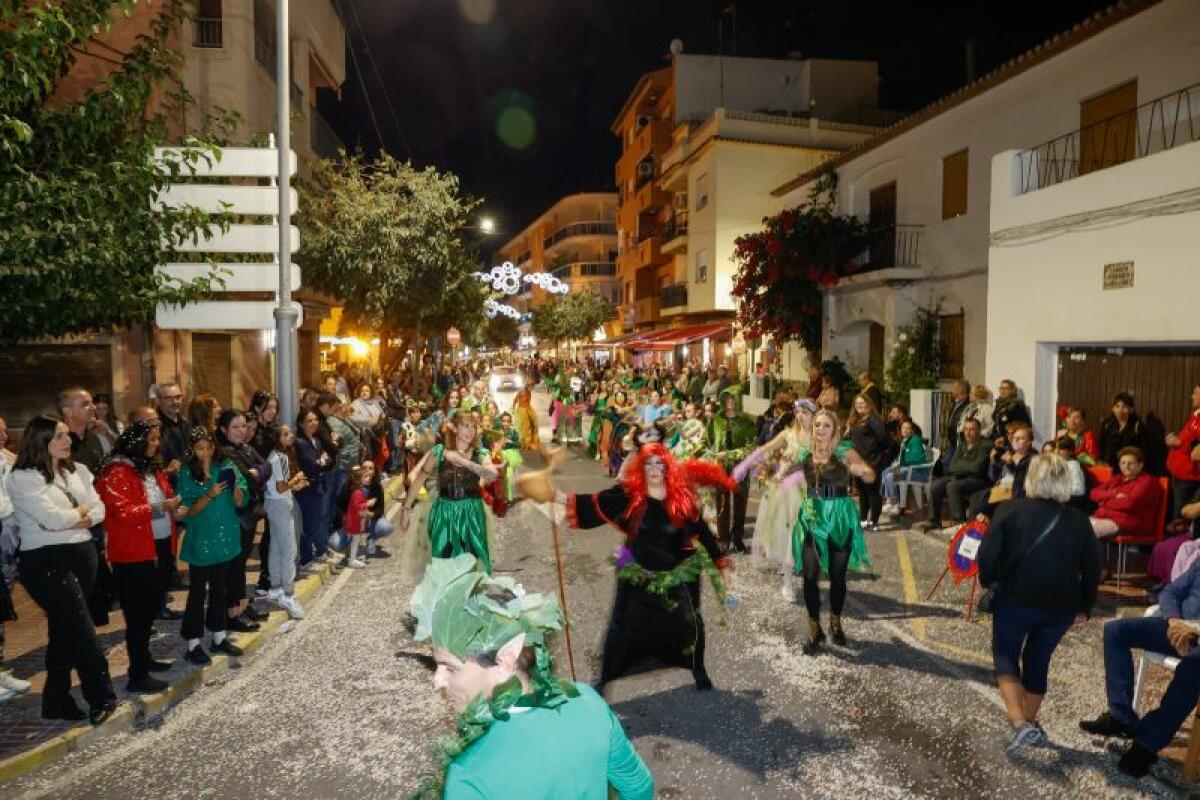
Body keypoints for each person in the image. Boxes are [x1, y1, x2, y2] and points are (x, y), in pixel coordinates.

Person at [410, 555, 654, 799]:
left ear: (505, 661)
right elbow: (639, 787)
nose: (437, 682)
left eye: (450, 668)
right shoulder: (589, 701)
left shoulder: (470, 776)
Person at [545, 443, 735, 693]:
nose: (654, 469)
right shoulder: (630, 496)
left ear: (667, 468)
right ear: (641, 469)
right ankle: (605, 680)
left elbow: (703, 533)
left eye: (659, 464)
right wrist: (554, 496)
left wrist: (720, 561)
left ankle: (698, 670)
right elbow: (592, 503)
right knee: (621, 625)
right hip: (635, 569)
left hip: (679, 571)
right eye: (649, 464)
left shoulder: (683, 499)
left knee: (691, 624)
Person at [977, 454, 1101, 755]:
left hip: (1016, 597)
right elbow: (1094, 566)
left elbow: (987, 555)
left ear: (1033, 478)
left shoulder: (1010, 510)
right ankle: (1030, 724)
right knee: (1038, 659)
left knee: (1006, 656)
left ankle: (1021, 724)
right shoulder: (1079, 520)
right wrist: (1085, 605)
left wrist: (989, 581)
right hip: (1061, 605)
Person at [9, 415, 117, 723]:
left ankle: (55, 701)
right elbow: (52, 520)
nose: (68, 441)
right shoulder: (23, 478)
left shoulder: (78, 471)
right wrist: (81, 512)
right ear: (40, 440)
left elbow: (100, 510)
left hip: (84, 555)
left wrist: (78, 514)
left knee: (64, 631)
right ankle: (102, 696)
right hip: (45, 561)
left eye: (67, 435)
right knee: (82, 629)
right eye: (59, 436)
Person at [1079, 556, 1200, 778]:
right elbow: (1171, 592)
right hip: (1179, 628)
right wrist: (1174, 621)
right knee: (1116, 631)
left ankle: (1147, 743)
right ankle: (1121, 717)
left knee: (1194, 667)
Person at [95, 419, 181, 694]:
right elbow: (123, 513)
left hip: (158, 546)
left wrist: (173, 505)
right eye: (152, 439)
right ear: (137, 441)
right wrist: (160, 507)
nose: (156, 444)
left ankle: (144, 660)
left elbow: (164, 498)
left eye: (158, 439)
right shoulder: (117, 471)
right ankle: (138, 673)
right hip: (132, 553)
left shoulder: (149, 468)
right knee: (138, 615)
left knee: (148, 611)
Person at [787, 408, 874, 653]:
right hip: (812, 516)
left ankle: (835, 621)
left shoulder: (844, 451)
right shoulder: (804, 453)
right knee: (810, 575)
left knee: (838, 576)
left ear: (834, 429)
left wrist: (862, 472)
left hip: (838, 517)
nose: (821, 430)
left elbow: (869, 474)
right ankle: (814, 628)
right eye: (817, 425)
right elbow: (789, 474)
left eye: (826, 425)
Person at [175, 427, 247, 665]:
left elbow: (241, 500)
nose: (205, 453)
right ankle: (193, 643)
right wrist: (210, 494)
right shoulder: (187, 473)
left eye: (209, 447)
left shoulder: (225, 467)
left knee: (220, 589)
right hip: (201, 540)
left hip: (225, 538)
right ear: (192, 450)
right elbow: (187, 511)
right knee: (197, 592)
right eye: (199, 448)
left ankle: (219, 636)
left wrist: (234, 485)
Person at [733, 399, 814, 600]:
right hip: (788, 492)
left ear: (814, 414)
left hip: (812, 492)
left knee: (808, 540)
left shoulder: (820, 436)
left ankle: (804, 574)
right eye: (798, 411)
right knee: (791, 535)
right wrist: (744, 466)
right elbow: (765, 449)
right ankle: (787, 583)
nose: (800, 415)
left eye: (805, 411)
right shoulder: (788, 434)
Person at [401, 414, 498, 575]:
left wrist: (464, 462)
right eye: (465, 425)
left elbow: (491, 475)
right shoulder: (439, 452)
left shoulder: (481, 453)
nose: (471, 431)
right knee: (442, 562)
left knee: (471, 564)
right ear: (453, 427)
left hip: (471, 512)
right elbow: (419, 480)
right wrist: (406, 509)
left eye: (473, 426)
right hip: (444, 511)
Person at [215, 410, 268, 633]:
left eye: (244, 426)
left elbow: (266, 466)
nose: (242, 430)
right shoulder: (225, 453)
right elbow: (247, 477)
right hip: (236, 517)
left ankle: (241, 606)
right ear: (223, 430)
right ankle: (232, 613)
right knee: (233, 567)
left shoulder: (245, 447)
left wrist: (259, 472)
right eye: (236, 427)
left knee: (241, 565)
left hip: (250, 514)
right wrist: (256, 473)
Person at [262, 423, 307, 619]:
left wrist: (292, 485)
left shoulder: (274, 455)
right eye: (286, 434)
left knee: (276, 547)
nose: (291, 436)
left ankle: (275, 587)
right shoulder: (279, 458)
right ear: (278, 439)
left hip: (273, 503)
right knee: (289, 549)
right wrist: (295, 480)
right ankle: (288, 594)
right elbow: (281, 487)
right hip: (280, 503)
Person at [705, 388, 757, 553]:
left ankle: (738, 538)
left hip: (740, 467)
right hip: (720, 467)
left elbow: (751, 447)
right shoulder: (715, 421)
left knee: (740, 503)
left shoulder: (747, 422)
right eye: (726, 399)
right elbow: (707, 441)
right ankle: (723, 539)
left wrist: (730, 454)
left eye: (733, 399)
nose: (729, 402)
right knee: (722, 504)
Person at [0, 416, 29, 703]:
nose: (3, 435)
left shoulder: (9, 459)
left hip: (8, 541)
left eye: (4, 430)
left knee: (2, 603)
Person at [925, 418, 991, 529]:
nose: (968, 433)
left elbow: (976, 468)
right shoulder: (962, 444)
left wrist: (962, 465)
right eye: (965, 429)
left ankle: (959, 523)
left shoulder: (985, 445)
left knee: (953, 486)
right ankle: (934, 520)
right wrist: (965, 466)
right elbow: (952, 466)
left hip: (978, 480)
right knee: (936, 485)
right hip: (960, 477)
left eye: (971, 430)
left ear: (979, 430)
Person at [967, 422, 1036, 523]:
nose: (1016, 440)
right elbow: (993, 477)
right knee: (976, 500)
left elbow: (1023, 479)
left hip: (1015, 493)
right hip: (999, 489)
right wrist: (993, 462)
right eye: (1015, 438)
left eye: (1021, 438)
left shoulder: (1033, 458)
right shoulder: (1009, 454)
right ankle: (973, 531)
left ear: (1029, 442)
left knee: (987, 508)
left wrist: (1010, 464)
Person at [1089, 446, 1163, 540]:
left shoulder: (1147, 481)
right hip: (1106, 517)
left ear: (1140, 465)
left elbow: (1130, 504)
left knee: (1087, 532)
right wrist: (1114, 494)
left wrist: (1104, 502)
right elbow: (1093, 493)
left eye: (1131, 463)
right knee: (1075, 527)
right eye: (1123, 463)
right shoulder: (1117, 478)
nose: (1126, 467)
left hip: (1130, 522)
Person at [846, 394, 892, 530]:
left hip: (872, 462)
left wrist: (877, 456)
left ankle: (874, 522)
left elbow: (885, 440)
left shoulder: (874, 420)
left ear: (869, 404)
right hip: (858, 461)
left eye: (862, 403)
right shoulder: (856, 420)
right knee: (862, 492)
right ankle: (863, 519)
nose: (859, 406)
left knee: (872, 492)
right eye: (857, 403)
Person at [294, 409, 334, 568]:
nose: (314, 423)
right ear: (301, 424)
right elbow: (311, 466)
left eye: (315, 420)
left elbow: (329, 460)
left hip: (319, 486)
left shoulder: (316, 440)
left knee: (317, 521)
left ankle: (316, 553)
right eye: (309, 421)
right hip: (307, 489)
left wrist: (322, 461)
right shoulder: (300, 442)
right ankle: (305, 559)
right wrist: (322, 461)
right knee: (308, 524)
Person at [881, 419, 929, 516]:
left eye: (908, 428)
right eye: (903, 428)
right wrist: (897, 463)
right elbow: (901, 457)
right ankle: (888, 501)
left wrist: (901, 463)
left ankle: (895, 503)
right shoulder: (905, 441)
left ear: (912, 430)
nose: (905, 430)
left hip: (917, 471)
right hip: (907, 468)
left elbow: (916, 458)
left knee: (890, 476)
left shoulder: (915, 440)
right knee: (885, 472)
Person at [1166, 383, 1200, 519]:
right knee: (1177, 509)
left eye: (1196, 393)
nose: (1192, 396)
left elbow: (1195, 448)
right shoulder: (1196, 415)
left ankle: (1179, 538)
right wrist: (1176, 440)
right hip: (1179, 471)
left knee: (1181, 515)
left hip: (1189, 475)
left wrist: (1180, 442)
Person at [1097, 392, 1149, 469]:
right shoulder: (1107, 424)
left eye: (1124, 407)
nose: (1120, 410)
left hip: (1129, 467)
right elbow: (1101, 446)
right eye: (1117, 406)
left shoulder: (1137, 426)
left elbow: (1143, 451)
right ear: (1113, 408)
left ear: (1131, 410)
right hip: (1109, 467)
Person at [340, 463, 372, 569]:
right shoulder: (358, 493)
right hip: (354, 521)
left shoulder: (358, 491)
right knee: (355, 540)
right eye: (366, 477)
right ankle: (352, 559)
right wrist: (367, 505)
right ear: (359, 480)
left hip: (355, 520)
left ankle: (352, 558)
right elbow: (358, 507)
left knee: (355, 540)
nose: (368, 478)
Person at [154, 382, 189, 468]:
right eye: (168, 398)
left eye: (178, 397)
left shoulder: (186, 424)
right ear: (158, 400)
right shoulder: (154, 427)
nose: (175, 402)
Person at [940, 380, 972, 472]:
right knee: (946, 463)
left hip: (959, 441)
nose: (952, 390)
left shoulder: (967, 406)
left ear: (961, 390)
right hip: (952, 440)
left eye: (955, 388)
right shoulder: (954, 404)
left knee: (949, 464)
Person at [992, 379, 1032, 452]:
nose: (1003, 391)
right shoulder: (999, 404)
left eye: (1006, 389)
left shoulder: (1017, 406)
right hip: (997, 439)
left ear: (1012, 390)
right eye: (1001, 388)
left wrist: (1005, 438)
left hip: (1011, 441)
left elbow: (1022, 426)